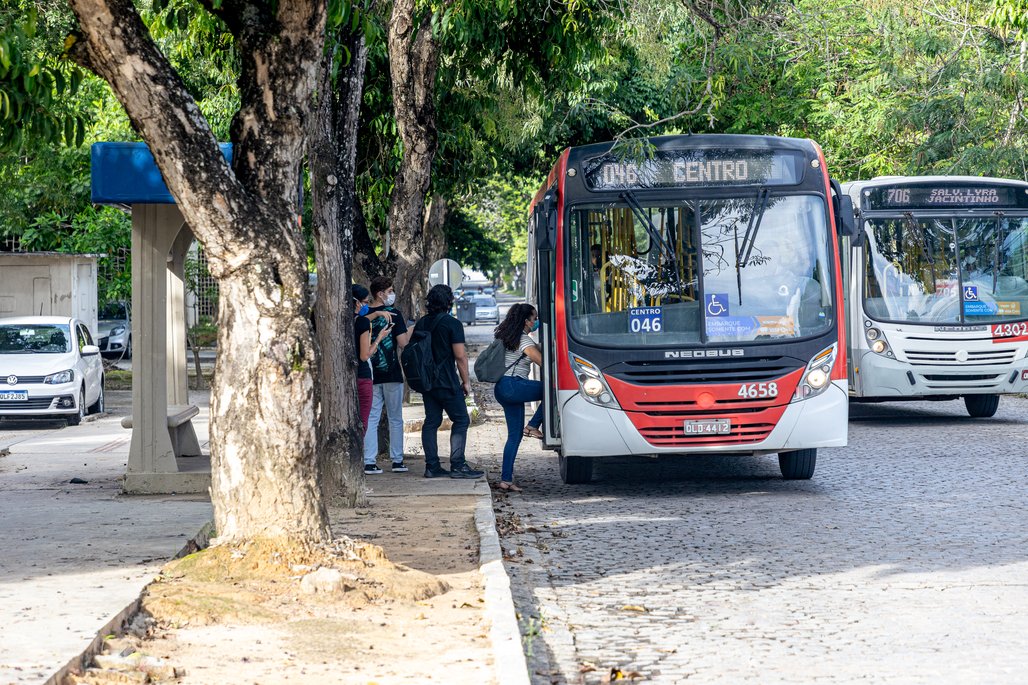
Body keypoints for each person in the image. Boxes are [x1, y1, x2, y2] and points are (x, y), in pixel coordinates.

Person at [414, 284, 484, 479]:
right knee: (461, 419)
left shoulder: (421, 324)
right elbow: (460, 356)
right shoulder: (452, 324)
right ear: (449, 302)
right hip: (447, 381)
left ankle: (432, 466)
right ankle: (458, 465)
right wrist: (466, 382)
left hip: (427, 382)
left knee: (432, 421)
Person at [491, 303, 544, 493]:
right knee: (554, 391)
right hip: (514, 386)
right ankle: (532, 425)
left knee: (514, 437)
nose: (536, 322)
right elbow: (541, 361)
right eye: (535, 318)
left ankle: (506, 480)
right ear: (526, 321)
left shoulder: (508, 336)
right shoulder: (523, 340)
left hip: (502, 388)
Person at [363, 276, 412, 475]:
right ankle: (397, 460)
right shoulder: (394, 314)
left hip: (370, 372)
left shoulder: (364, 314)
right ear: (380, 293)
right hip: (391, 372)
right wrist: (411, 329)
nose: (392, 294)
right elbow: (403, 343)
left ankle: (369, 461)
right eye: (390, 290)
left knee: (372, 417)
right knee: (395, 418)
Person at [352, 284, 392, 435]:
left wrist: (375, 315)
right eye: (366, 302)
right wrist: (379, 338)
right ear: (357, 303)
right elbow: (364, 355)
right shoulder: (362, 323)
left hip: (345, 378)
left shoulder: (343, 321)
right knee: (363, 423)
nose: (368, 306)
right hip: (362, 377)